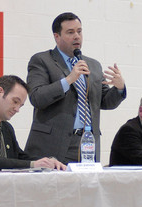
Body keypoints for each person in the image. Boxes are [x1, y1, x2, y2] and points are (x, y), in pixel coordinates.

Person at [25, 12, 126, 164]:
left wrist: (118, 88)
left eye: (79, 31)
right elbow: (37, 97)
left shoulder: (93, 65)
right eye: (70, 32)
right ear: (56, 36)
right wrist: (69, 80)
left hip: (87, 143)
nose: (77, 36)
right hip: (54, 143)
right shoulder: (41, 60)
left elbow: (105, 102)